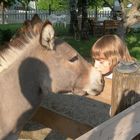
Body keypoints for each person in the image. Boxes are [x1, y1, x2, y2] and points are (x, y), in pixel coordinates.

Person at [90, 35, 135, 115]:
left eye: (101, 62)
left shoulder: (130, 76)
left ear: (116, 59)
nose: (95, 65)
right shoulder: (105, 72)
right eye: (95, 60)